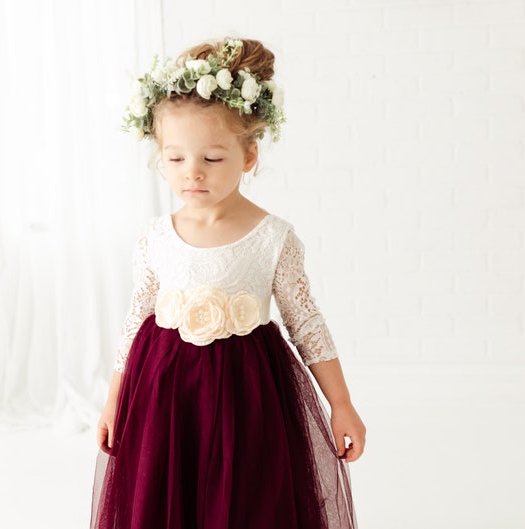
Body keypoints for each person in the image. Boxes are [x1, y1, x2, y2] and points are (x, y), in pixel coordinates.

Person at [90, 37, 365, 529]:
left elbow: (306, 323)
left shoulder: (272, 237)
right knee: (167, 500)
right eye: (174, 160)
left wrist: (340, 404)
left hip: (248, 396)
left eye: (212, 159)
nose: (191, 173)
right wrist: (114, 398)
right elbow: (136, 316)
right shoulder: (155, 237)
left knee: (247, 501)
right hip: (165, 399)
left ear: (249, 154)